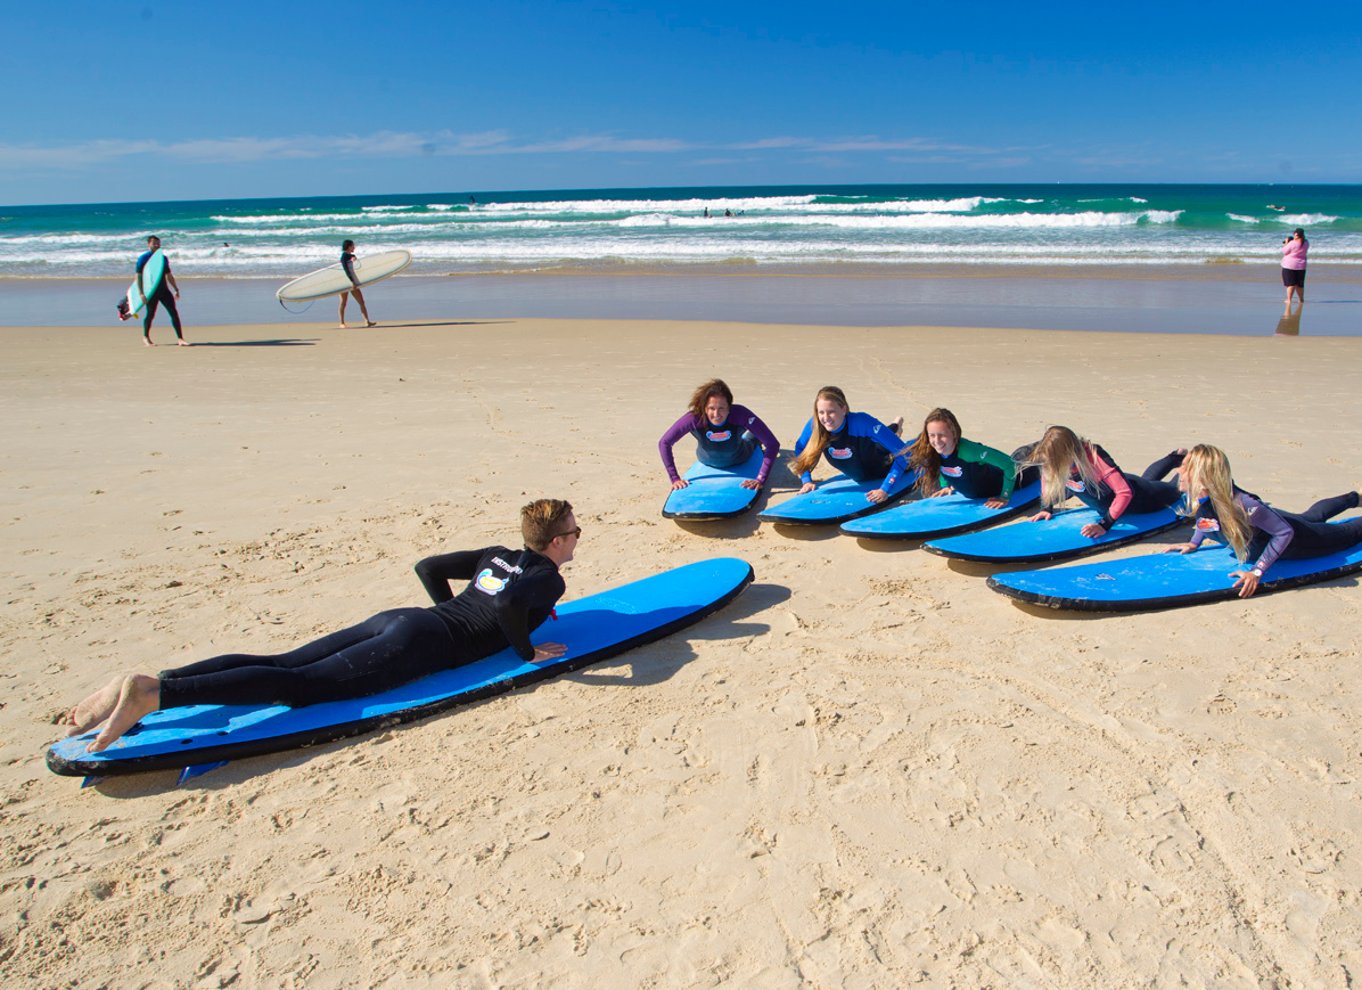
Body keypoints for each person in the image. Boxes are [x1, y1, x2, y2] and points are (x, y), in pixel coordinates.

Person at [61, 499, 580, 753]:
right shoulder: (547, 578)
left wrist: (447, 616)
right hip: (420, 643)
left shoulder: (498, 553)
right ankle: (155, 696)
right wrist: (523, 653)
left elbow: (429, 567)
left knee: (282, 662)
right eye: (574, 531)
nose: (578, 537)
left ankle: (158, 681)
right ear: (555, 542)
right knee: (300, 687)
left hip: (404, 621)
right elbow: (513, 604)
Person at [1166, 444, 1362, 598]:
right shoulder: (1203, 497)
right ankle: (1355, 497)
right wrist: (1194, 542)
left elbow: (1284, 533)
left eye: (1184, 467)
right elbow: (1206, 520)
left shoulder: (1243, 505)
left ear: (1202, 475)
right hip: (1278, 522)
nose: (1178, 470)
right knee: (1311, 517)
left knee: (1348, 533)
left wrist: (1257, 572)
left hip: (1301, 541)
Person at [1025, 426, 1183, 538]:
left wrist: (1104, 525)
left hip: (1142, 500)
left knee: (1175, 490)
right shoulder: (1053, 458)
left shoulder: (1094, 457)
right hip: (1122, 485)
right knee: (1147, 480)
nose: (1051, 465)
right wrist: (1046, 507)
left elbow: (1124, 492)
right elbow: (1047, 477)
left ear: (1069, 452)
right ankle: (1175, 457)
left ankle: (1187, 467)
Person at [658, 379, 780, 492]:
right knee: (748, 435)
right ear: (704, 408)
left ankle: (752, 436)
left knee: (753, 437)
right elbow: (664, 443)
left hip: (740, 456)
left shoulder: (740, 414)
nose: (716, 414)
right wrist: (674, 478)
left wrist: (760, 479)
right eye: (711, 408)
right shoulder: (694, 418)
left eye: (721, 408)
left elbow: (773, 444)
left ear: (729, 408)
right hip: (705, 459)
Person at [790, 386, 906, 504]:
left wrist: (885, 489)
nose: (826, 418)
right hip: (859, 471)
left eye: (831, 412)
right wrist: (806, 481)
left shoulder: (862, 422)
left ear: (844, 409)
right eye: (821, 412)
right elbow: (800, 448)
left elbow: (904, 454)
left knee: (884, 446)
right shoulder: (815, 426)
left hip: (880, 462)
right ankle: (894, 429)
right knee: (883, 440)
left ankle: (896, 425)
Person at [900, 407, 1032, 509]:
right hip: (978, 490)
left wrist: (1004, 497)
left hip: (1012, 478)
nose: (936, 441)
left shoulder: (970, 451)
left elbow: (1009, 465)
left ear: (954, 433)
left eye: (942, 435)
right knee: (1020, 455)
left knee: (1036, 463)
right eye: (932, 435)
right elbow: (941, 464)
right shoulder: (932, 450)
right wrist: (946, 485)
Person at [135, 236, 187, 347]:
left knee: (174, 313)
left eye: (158, 243)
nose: (157, 245)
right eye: (154, 243)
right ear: (148, 244)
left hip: (164, 290)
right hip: (151, 292)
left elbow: (168, 275)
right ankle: (146, 337)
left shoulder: (163, 258)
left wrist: (176, 289)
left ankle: (180, 339)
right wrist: (141, 293)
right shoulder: (143, 259)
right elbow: (138, 277)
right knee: (150, 314)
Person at [338, 239, 376, 328]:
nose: (354, 247)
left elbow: (354, 265)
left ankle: (367, 321)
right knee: (343, 302)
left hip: (353, 282)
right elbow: (346, 270)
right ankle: (342, 323)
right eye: (353, 246)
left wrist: (354, 258)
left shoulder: (350, 255)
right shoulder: (343, 256)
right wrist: (352, 282)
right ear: (348, 246)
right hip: (345, 283)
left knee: (361, 302)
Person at [1281, 227, 1308, 306]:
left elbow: (1284, 251)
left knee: (1290, 284)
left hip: (1290, 265)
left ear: (1296, 234)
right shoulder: (1306, 243)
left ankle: (1289, 300)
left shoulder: (1293, 243)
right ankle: (1301, 299)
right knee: (1300, 284)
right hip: (1301, 265)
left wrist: (1287, 243)